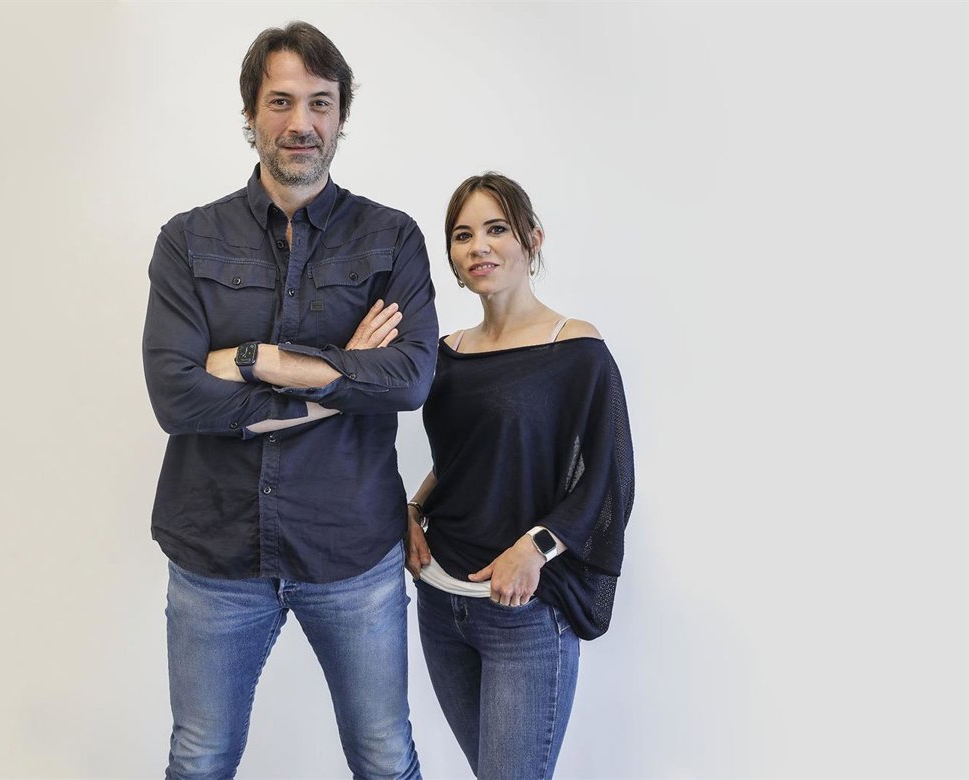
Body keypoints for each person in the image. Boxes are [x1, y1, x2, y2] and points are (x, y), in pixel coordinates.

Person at [140, 21, 437, 780]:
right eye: (280, 101)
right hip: (215, 553)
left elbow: (409, 379)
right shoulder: (187, 240)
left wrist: (255, 361)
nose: (300, 122)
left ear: (341, 115)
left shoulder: (392, 238)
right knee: (199, 758)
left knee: (384, 756)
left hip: (352, 552)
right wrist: (342, 380)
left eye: (319, 102)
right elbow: (176, 396)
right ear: (251, 112)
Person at [403, 173, 634, 780]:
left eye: (496, 228)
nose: (478, 246)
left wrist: (534, 547)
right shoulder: (446, 353)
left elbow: (608, 479)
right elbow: (463, 461)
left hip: (525, 612)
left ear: (532, 238)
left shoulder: (576, 350)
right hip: (440, 601)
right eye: (462, 235)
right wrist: (412, 509)